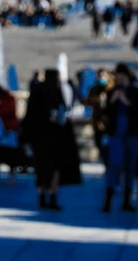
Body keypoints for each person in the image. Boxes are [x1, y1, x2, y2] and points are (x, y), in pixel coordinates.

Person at [22, 69, 82, 210]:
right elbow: (62, 114)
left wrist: (26, 137)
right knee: (55, 168)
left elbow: (29, 116)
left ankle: (42, 196)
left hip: (40, 138)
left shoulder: (37, 91)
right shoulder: (56, 92)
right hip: (56, 137)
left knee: (42, 169)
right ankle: (53, 196)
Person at [103, 64, 138, 212]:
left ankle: (127, 200)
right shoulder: (112, 92)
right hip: (116, 133)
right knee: (114, 165)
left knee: (130, 166)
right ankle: (108, 199)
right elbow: (106, 112)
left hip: (131, 133)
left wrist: (127, 102)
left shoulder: (137, 92)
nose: (119, 80)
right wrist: (112, 101)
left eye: (122, 77)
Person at [86, 69, 114, 167]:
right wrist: (98, 99)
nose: (101, 78)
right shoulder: (94, 89)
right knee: (100, 144)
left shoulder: (111, 88)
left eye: (103, 76)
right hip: (97, 122)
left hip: (110, 122)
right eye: (100, 76)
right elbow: (88, 101)